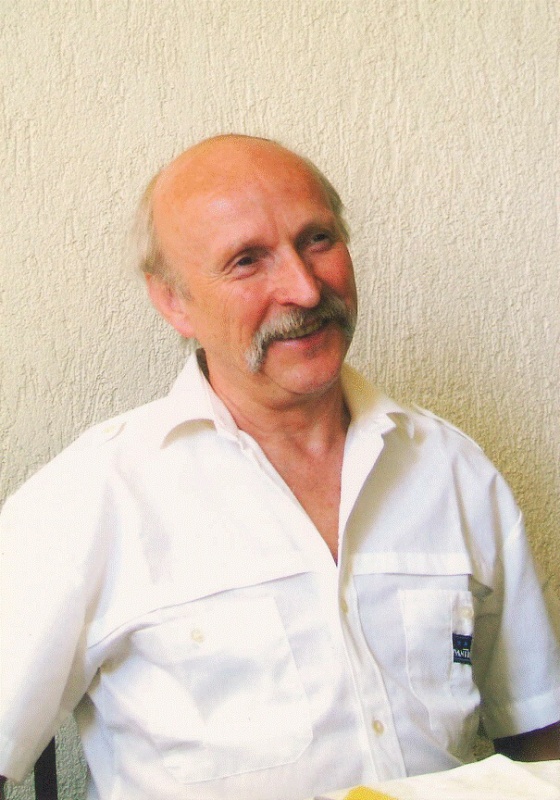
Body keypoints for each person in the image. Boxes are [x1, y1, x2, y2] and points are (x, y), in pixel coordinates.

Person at [1, 134, 559, 800]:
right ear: (173, 301)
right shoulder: (90, 497)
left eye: (318, 240)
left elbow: (540, 741)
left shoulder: (454, 470)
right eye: (247, 261)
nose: (304, 287)